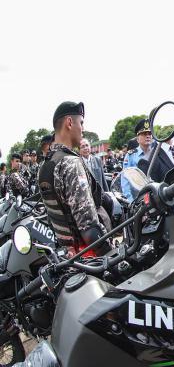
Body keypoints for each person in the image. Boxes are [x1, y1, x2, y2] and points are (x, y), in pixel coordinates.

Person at [38, 101, 112, 256]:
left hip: (68, 255)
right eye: (81, 122)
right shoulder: (70, 163)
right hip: (90, 256)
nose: (83, 129)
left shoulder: (45, 165)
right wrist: (111, 255)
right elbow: (89, 228)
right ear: (70, 123)